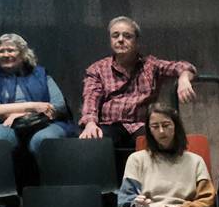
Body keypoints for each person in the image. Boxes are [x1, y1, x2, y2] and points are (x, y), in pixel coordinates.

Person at [77, 15, 194, 150]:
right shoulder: (97, 69)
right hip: (110, 125)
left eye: (127, 36)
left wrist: (184, 78)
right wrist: (90, 123)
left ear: (137, 41)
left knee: (160, 139)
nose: (120, 40)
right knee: (93, 141)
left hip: (141, 125)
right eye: (115, 35)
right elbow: (91, 99)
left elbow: (184, 66)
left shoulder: (150, 65)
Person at [117, 104, 215, 207]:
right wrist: (136, 204)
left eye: (166, 125)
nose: (162, 131)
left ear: (176, 126)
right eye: (155, 127)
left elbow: (207, 202)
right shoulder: (136, 159)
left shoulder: (195, 161)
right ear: (149, 130)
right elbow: (124, 204)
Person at [0, 31, 77, 178]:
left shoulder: (40, 74)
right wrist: (33, 106)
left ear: (23, 54)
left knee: (43, 140)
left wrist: (20, 114)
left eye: (10, 50)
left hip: (45, 123)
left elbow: (59, 105)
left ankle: (52, 192)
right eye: (1, 51)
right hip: (6, 125)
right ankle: (5, 196)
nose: (5, 54)